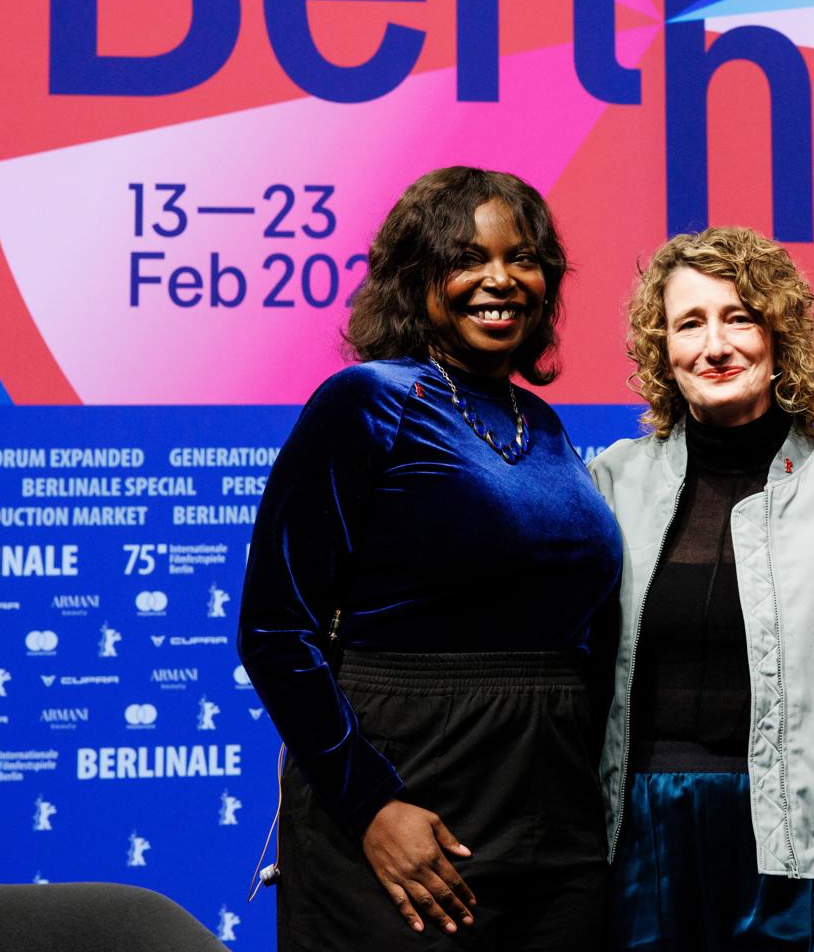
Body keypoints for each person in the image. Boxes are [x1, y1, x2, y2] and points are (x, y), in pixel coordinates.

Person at [238, 166, 622, 950]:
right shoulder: (367, 402)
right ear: (418, 279)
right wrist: (371, 805)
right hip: (409, 795)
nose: (500, 279)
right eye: (467, 258)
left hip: (552, 815)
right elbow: (277, 630)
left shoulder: (543, 425)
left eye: (523, 258)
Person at [590, 227, 814, 951]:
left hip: (802, 841)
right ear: (664, 350)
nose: (715, 346)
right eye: (690, 324)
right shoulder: (611, 483)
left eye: (739, 318)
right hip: (643, 830)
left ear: (779, 334)